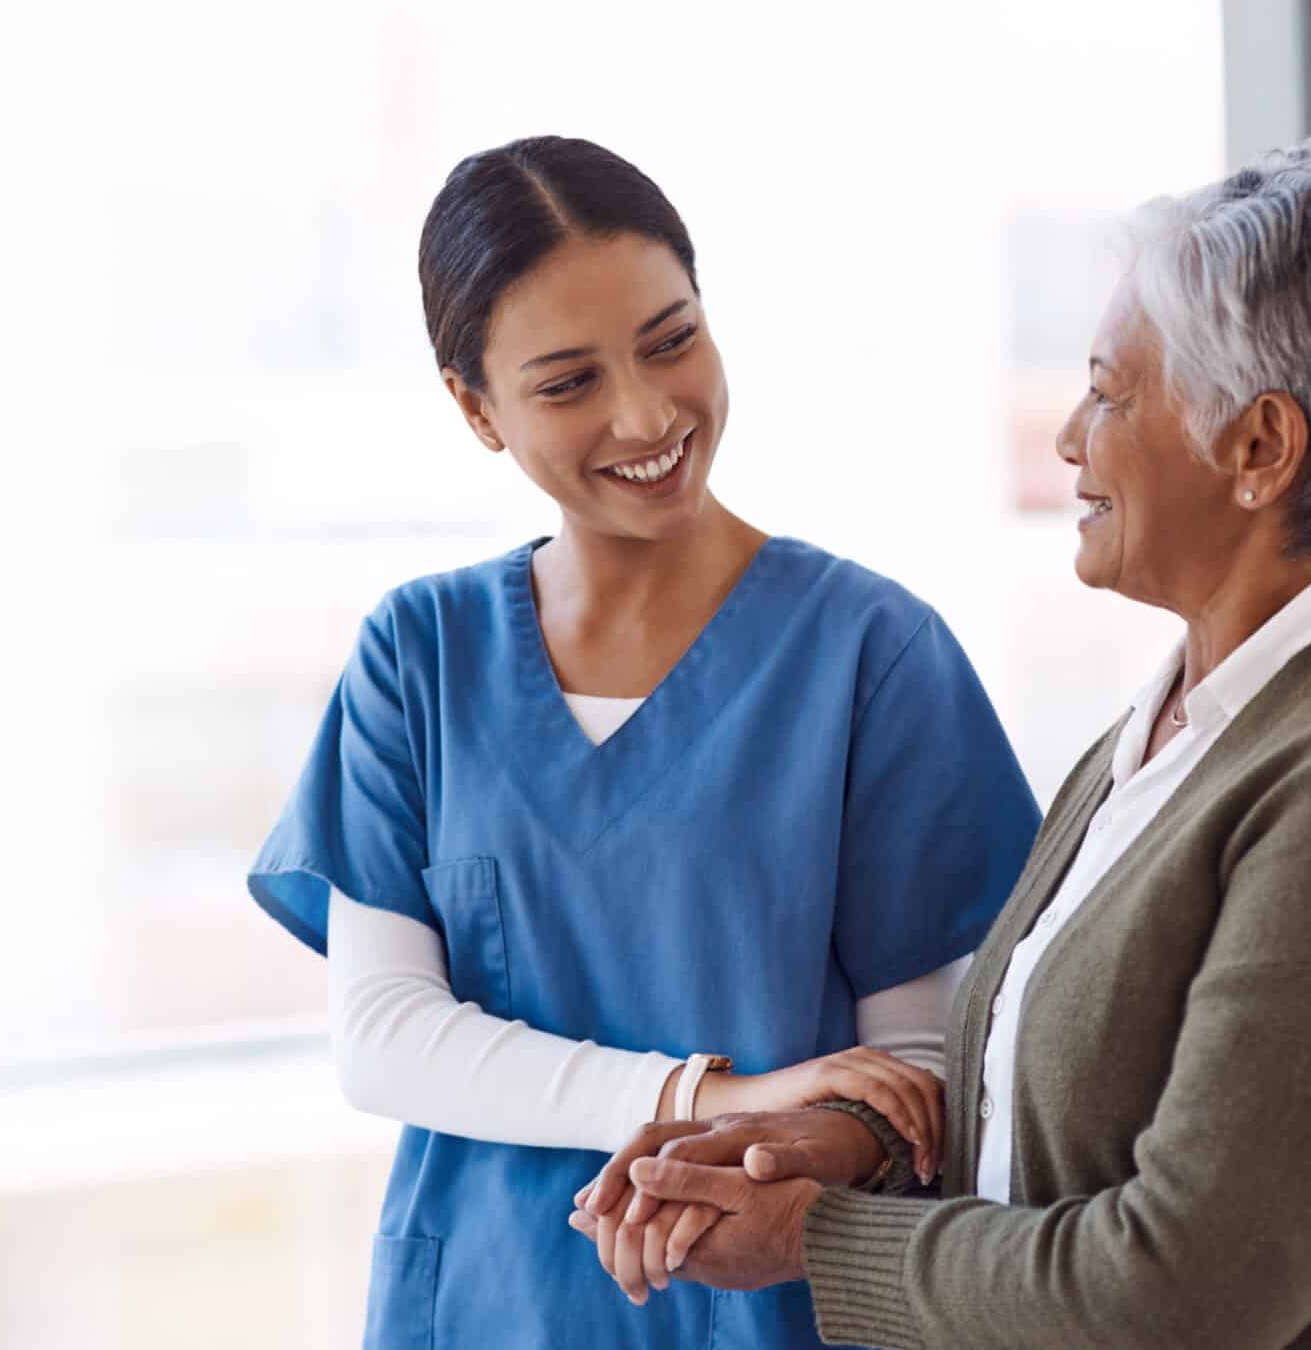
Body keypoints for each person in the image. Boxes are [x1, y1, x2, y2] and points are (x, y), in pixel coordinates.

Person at [575, 138, 1311, 1349]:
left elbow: (1183, 1289)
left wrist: (815, 1238)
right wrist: (847, 1151)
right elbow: (1079, 1120)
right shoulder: (1191, 717)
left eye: (1111, 393)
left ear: (1260, 450)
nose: (1070, 437)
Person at [247, 136, 1040, 1348]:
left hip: (769, 1308)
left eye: (671, 340)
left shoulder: (872, 655)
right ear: (475, 408)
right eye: (567, 383)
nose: (645, 412)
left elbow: (919, 1070)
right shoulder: (420, 657)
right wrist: (705, 1095)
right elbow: (385, 1040)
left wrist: (781, 1138)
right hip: (482, 1306)